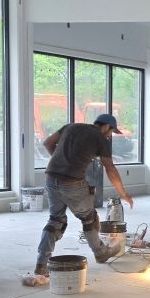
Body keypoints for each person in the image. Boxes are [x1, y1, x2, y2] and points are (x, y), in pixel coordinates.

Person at [23, 113, 134, 286]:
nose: (109, 135)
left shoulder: (71, 126)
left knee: (55, 221)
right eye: (110, 132)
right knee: (89, 218)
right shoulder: (101, 139)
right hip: (72, 182)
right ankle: (100, 253)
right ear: (106, 127)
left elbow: (48, 143)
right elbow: (110, 169)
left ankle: (41, 266)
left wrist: (64, 161)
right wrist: (124, 194)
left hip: (51, 178)